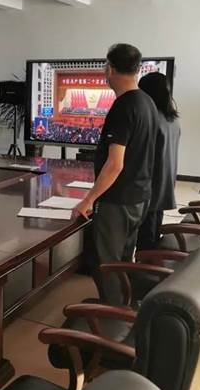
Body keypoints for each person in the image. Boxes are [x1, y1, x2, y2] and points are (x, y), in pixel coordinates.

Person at [75, 44, 158, 305]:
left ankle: (112, 317)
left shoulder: (123, 107)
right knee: (123, 259)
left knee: (106, 263)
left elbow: (115, 164)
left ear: (109, 69)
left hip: (117, 201)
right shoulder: (147, 102)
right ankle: (124, 306)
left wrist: (88, 200)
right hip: (139, 197)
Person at [137, 72, 181, 249]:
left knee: (145, 240)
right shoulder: (173, 119)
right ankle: (152, 260)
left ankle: (146, 265)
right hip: (164, 184)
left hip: (149, 188)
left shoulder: (151, 119)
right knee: (154, 233)